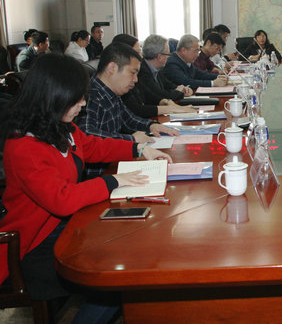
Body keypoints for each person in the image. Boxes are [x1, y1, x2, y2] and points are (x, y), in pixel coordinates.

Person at [0, 54, 172, 323]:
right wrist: (113, 181)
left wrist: (138, 148)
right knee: (115, 279)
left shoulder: (59, 126)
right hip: (33, 245)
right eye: (77, 98)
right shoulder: (23, 145)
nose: (83, 104)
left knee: (132, 243)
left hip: (65, 226)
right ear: (53, 97)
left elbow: (92, 146)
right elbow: (61, 200)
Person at [77, 42, 179, 143]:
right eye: (132, 73)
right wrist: (131, 139)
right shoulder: (89, 95)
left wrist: (151, 126)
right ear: (112, 68)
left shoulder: (113, 92)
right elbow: (86, 135)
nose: (136, 79)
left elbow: (128, 120)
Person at [137, 34, 192, 102]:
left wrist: (184, 89)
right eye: (168, 54)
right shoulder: (142, 71)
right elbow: (160, 94)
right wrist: (180, 93)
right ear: (159, 57)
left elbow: (169, 85)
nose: (169, 57)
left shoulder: (157, 69)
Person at [162, 34, 227, 90]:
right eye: (196, 51)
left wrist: (218, 77)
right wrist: (212, 83)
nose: (198, 55)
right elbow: (186, 82)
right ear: (184, 50)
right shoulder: (172, 63)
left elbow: (200, 74)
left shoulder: (187, 61)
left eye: (198, 51)